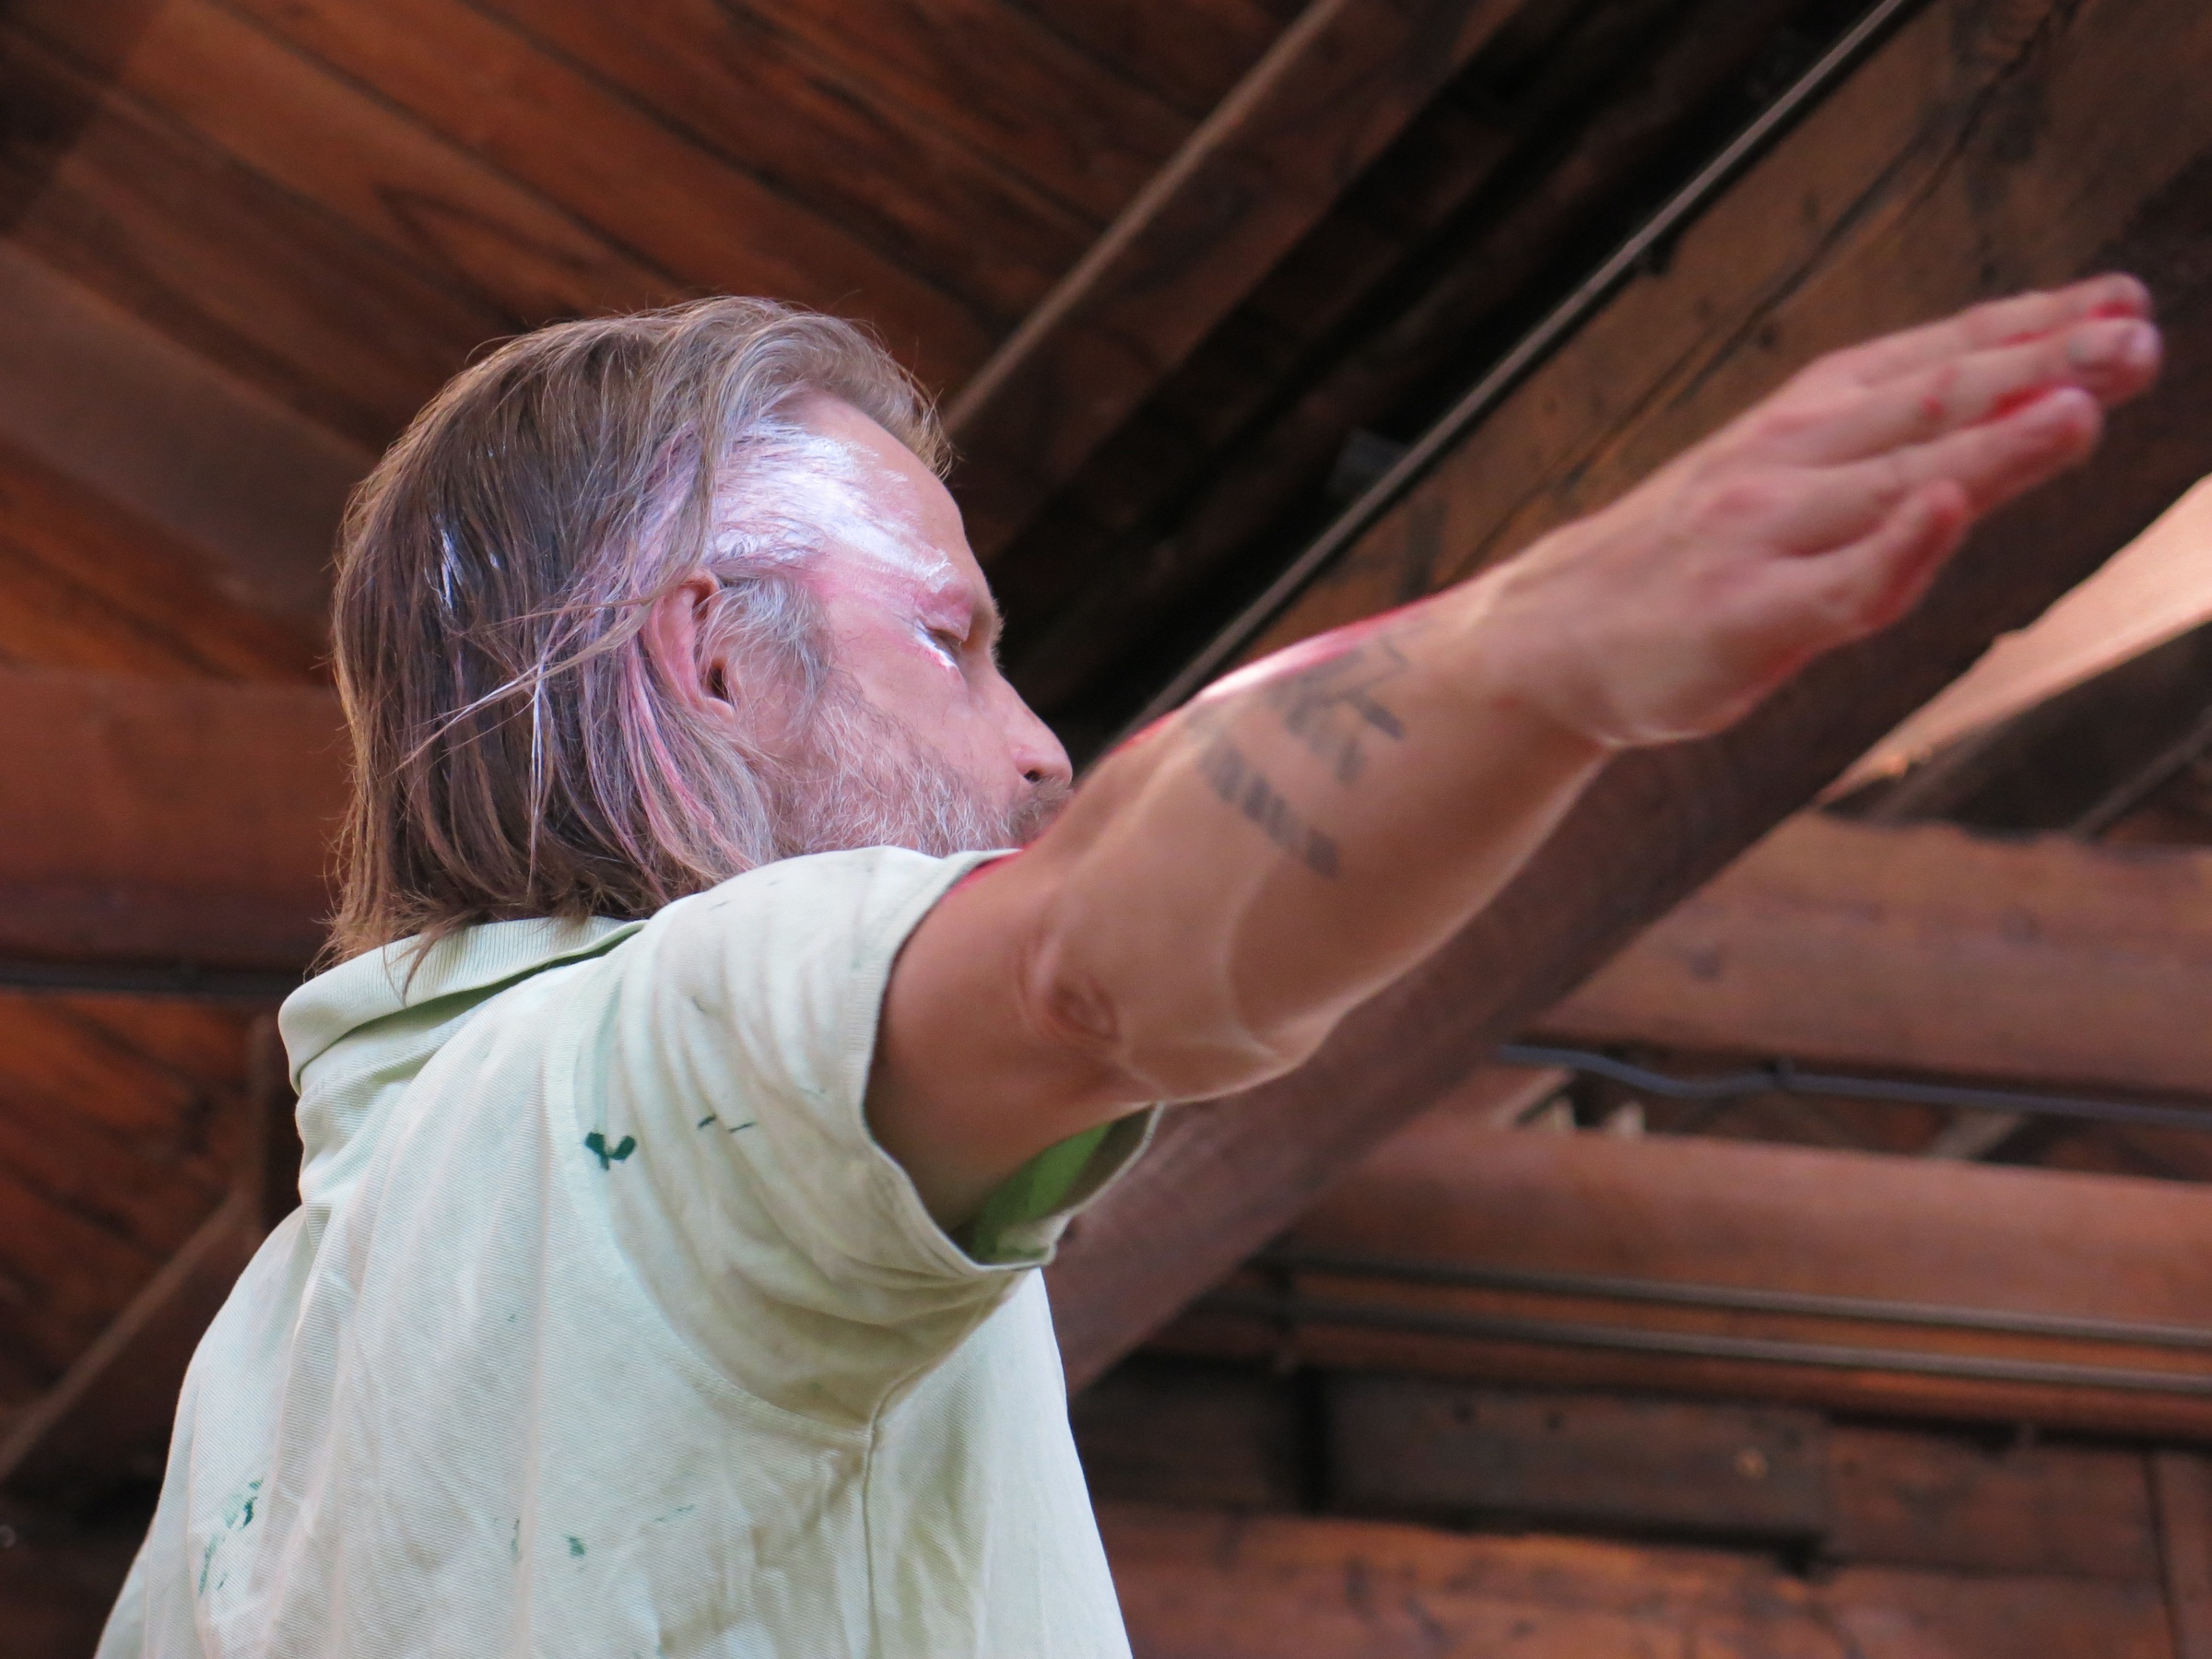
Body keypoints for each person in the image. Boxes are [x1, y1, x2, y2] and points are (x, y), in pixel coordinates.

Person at [100, 277, 2160, 1657]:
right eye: (958, 640)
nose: (1035, 740)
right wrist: (1551, 642)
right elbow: (1100, 957)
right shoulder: (662, 1069)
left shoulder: (263, 1385)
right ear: (715, 658)